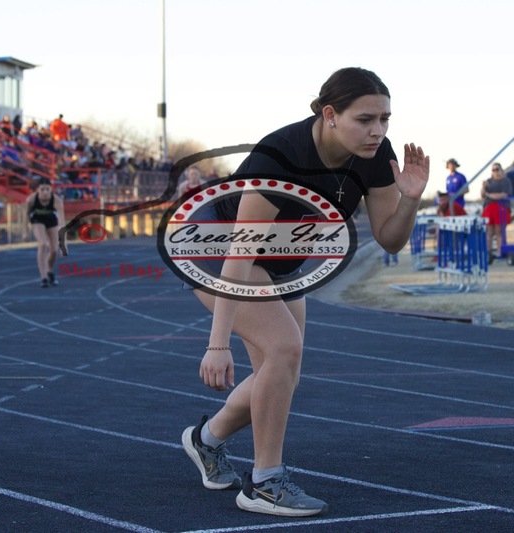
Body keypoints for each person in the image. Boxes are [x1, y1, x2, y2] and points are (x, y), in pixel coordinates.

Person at [180, 67, 429, 517]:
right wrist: (217, 344)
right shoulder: (283, 154)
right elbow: (238, 254)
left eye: (385, 119)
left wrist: (410, 198)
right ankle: (264, 484)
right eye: (366, 119)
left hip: (281, 260)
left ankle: (206, 439)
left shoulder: (376, 154)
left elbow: (390, 239)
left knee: (280, 374)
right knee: (284, 349)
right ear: (330, 114)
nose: (378, 130)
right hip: (218, 252)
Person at [25, 177, 65, 287]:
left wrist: (63, 245)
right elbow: (25, 215)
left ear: (51, 189)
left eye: (47, 189)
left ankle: (49, 271)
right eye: (42, 189)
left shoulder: (56, 200)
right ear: (37, 190)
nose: (45, 192)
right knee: (42, 244)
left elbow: (61, 222)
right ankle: (43, 277)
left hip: (51, 220)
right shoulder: (31, 200)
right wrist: (25, 231)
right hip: (37, 220)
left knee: (53, 250)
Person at [481, 163, 513, 262]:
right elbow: (482, 195)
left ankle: (500, 252)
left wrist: (489, 195)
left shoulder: (505, 181)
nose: (495, 172)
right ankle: (488, 252)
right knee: (489, 231)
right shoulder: (489, 181)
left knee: (499, 231)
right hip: (489, 208)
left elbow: (502, 195)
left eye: (497, 169)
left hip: (501, 207)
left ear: (501, 170)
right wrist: (483, 188)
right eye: (493, 170)